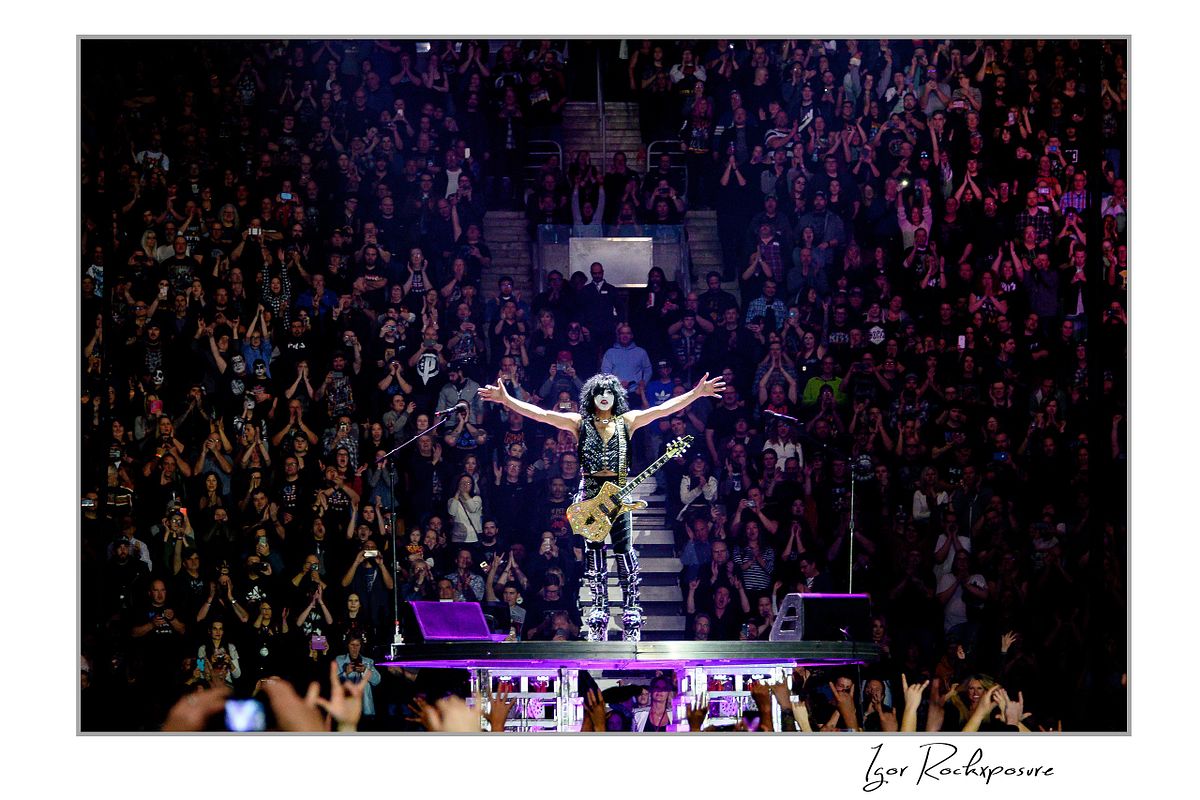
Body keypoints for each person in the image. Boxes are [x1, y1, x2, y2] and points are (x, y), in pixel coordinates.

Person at [479, 371, 724, 641]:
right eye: (599, 392)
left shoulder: (627, 421)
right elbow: (540, 414)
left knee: (624, 551)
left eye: (609, 392)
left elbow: (663, 408)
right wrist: (508, 400)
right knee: (595, 555)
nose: (604, 397)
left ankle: (631, 610)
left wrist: (696, 393)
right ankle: (599, 611)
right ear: (592, 397)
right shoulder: (578, 422)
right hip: (591, 495)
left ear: (615, 396)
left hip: (618, 494)